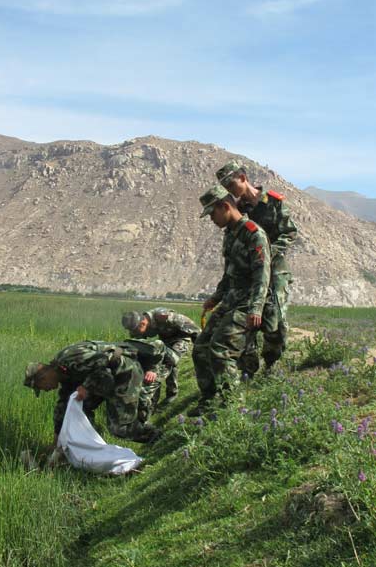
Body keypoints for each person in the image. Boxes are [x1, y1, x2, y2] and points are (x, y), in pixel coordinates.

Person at [190, 185, 271, 415]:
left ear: (225, 206)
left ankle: (232, 405)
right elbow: (229, 274)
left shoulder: (253, 233)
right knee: (201, 348)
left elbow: (262, 275)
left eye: (212, 214)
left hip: (248, 302)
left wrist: (256, 308)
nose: (212, 220)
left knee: (221, 348)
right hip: (231, 299)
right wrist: (215, 298)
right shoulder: (230, 234)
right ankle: (209, 399)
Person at [216, 159, 298, 372]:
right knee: (246, 318)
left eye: (232, 185)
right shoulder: (238, 209)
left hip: (275, 270)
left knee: (275, 321)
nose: (231, 192)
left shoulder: (273, 202)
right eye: (227, 189)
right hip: (250, 273)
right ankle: (248, 367)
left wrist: (269, 252)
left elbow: (289, 232)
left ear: (243, 178)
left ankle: (272, 363)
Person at [24, 339, 167, 444]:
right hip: (105, 380)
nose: (46, 390)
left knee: (120, 428)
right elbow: (63, 405)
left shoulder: (70, 358)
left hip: (124, 372)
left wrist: (86, 386)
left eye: (41, 387)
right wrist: (57, 438)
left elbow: (105, 366)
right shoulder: (63, 374)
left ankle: (159, 438)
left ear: (43, 377)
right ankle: (92, 444)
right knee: (79, 407)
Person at [121, 308, 200, 403]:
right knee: (160, 360)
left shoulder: (162, 316)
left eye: (134, 330)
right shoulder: (137, 327)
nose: (133, 333)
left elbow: (193, 327)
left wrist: (201, 346)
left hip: (181, 338)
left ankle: (164, 395)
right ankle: (170, 393)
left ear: (142, 323)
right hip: (165, 341)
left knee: (170, 360)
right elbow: (139, 344)